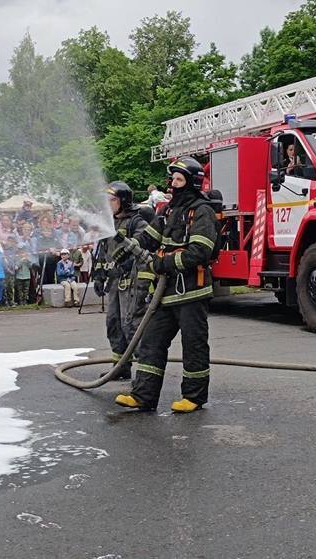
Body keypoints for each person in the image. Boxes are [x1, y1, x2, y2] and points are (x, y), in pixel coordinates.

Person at [114, 157, 219, 412]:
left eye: (179, 180)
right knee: (151, 342)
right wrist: (127, 247)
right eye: (172, 179)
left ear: (192, 184)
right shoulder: (169, 210)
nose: (173, 184)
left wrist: (163, 264)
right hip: (166, 294)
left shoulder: (201, 211)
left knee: (193, 345)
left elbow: (199, 252)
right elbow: (150, 237)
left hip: (191, 291)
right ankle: (143, 396)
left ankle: (194, 397)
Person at [96, 181, 153, 380]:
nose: (109, 204)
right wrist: (99, 274)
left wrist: (129, 261)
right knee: (113, 323)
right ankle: (120, 366)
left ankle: (146, 371)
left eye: (112, 200)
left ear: (124, 201)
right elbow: (103, 252)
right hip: (114, 280)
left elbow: (144, 244)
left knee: (131, 324)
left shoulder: (137, 222)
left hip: (133, 280)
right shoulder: (109, 223)